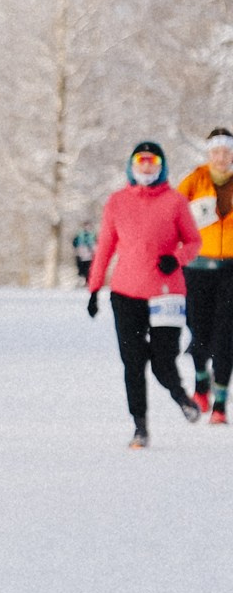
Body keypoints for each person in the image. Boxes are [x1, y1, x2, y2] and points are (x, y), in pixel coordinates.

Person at [87, 139, 202, 448]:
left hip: (166, 292)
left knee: (164, 361)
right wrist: (94, 288)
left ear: (162, 166)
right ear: (132, 166)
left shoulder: (175, 202)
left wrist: (175, 258)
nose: (147, 167)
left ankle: (182, 398)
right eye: (141, 162)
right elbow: (105, 248)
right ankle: (140, 427)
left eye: (153, 162)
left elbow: (194, 242)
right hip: (126, 293)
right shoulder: (117, 202)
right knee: (133, 362)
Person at [175, 127, 233, 423]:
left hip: (231, 269)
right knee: (199, 330)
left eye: (226, 151)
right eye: (216, 152)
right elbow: (172, 213)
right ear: (209, 153)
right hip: (197, 268)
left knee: (227, 335)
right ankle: (201, 382)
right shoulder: (195, 180)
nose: (221, 157)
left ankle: (220, 403)